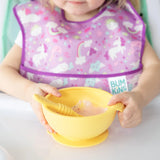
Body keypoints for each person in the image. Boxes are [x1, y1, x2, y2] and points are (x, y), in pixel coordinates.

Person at [0, 0, 160, 133]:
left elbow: (155, 68)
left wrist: (140, 97)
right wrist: (29, 91)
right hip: (40, 131)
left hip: (117, 133)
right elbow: (3, 72)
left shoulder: (125, 24)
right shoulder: (36, 23)